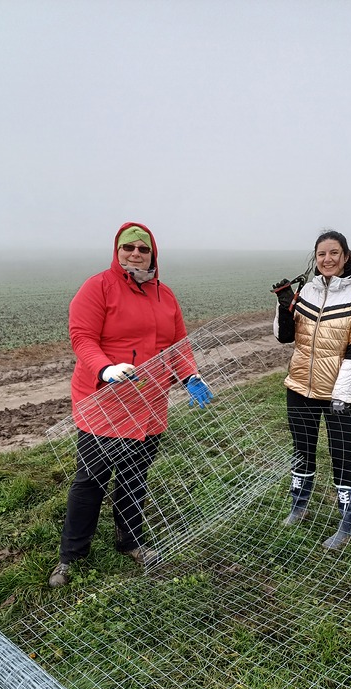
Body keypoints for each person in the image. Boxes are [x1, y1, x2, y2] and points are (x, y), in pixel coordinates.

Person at [49, 222, 213, 588]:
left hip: (150, 403)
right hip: (103, 402)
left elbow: (178, 344)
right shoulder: (98, 287)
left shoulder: (165, 296)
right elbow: (82, 336)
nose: (136, 254)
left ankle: (131, 543)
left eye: (143, 249)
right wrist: (105, 368)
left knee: (134, 477)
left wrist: (190, 376)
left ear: (153, 254)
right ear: (117, 251)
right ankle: (71, 556)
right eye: (129, 248)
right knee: (91, 480)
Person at [272, 230, 351, 550]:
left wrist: (341, 395)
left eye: (334, 253)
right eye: (321, 254)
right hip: (300, 386)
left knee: (342, 455)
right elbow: (284, 337)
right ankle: (299, 505)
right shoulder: (308, 289)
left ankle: (347, 520)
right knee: (302, 450)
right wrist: (283, 305)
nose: (327, 259)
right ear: (315, 259)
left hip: (340, 394)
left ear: (346, 256)